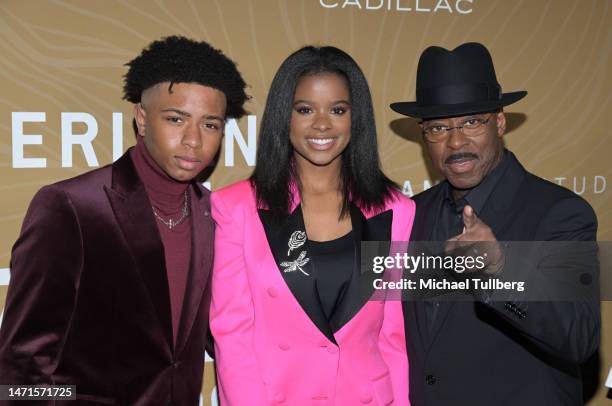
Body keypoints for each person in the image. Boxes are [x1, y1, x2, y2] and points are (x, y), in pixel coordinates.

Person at [0, 36, 248, 404]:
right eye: (176, 119)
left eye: (210, 125)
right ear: (142, 119)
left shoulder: (216, 214)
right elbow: (21, 366)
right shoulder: (71, 207)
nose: (194, 140)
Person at [390, 42, 599, 405]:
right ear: (424, 136)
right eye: (438, 128)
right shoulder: (411, 213)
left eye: (472, 122)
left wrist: (501, 270)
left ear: (499, 122)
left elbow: (580, 336)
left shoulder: (560, 213)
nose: (456, 142)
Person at [210, 46, 414, 405]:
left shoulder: (396, 211)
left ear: (357, 118)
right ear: (282, 117)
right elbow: (232, 336)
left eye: (338, 110)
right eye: (305, 110)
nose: (322, 124)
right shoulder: (236, 208)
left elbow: (392, 337)